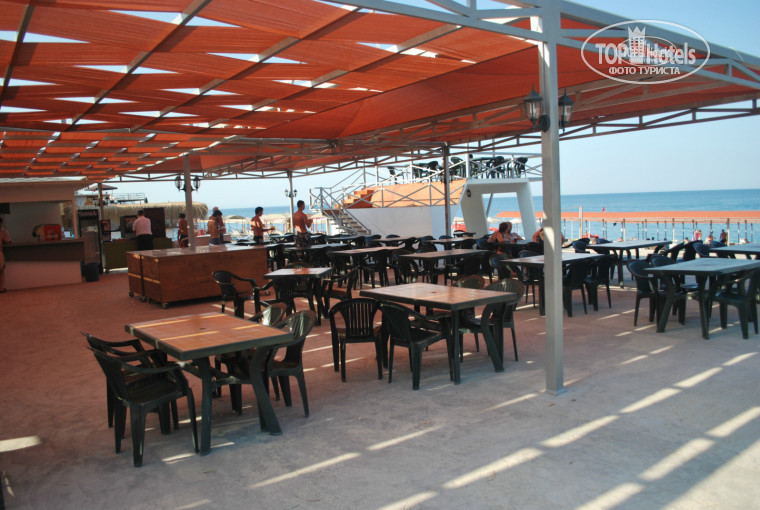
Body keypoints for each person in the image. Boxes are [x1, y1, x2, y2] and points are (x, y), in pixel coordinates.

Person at [0, 217, 11, 292]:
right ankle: (1, 288)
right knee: (1, 272)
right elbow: (7, 242)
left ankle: (1, 288)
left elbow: (8, 241)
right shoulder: (1, 233)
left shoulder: (3, 231)